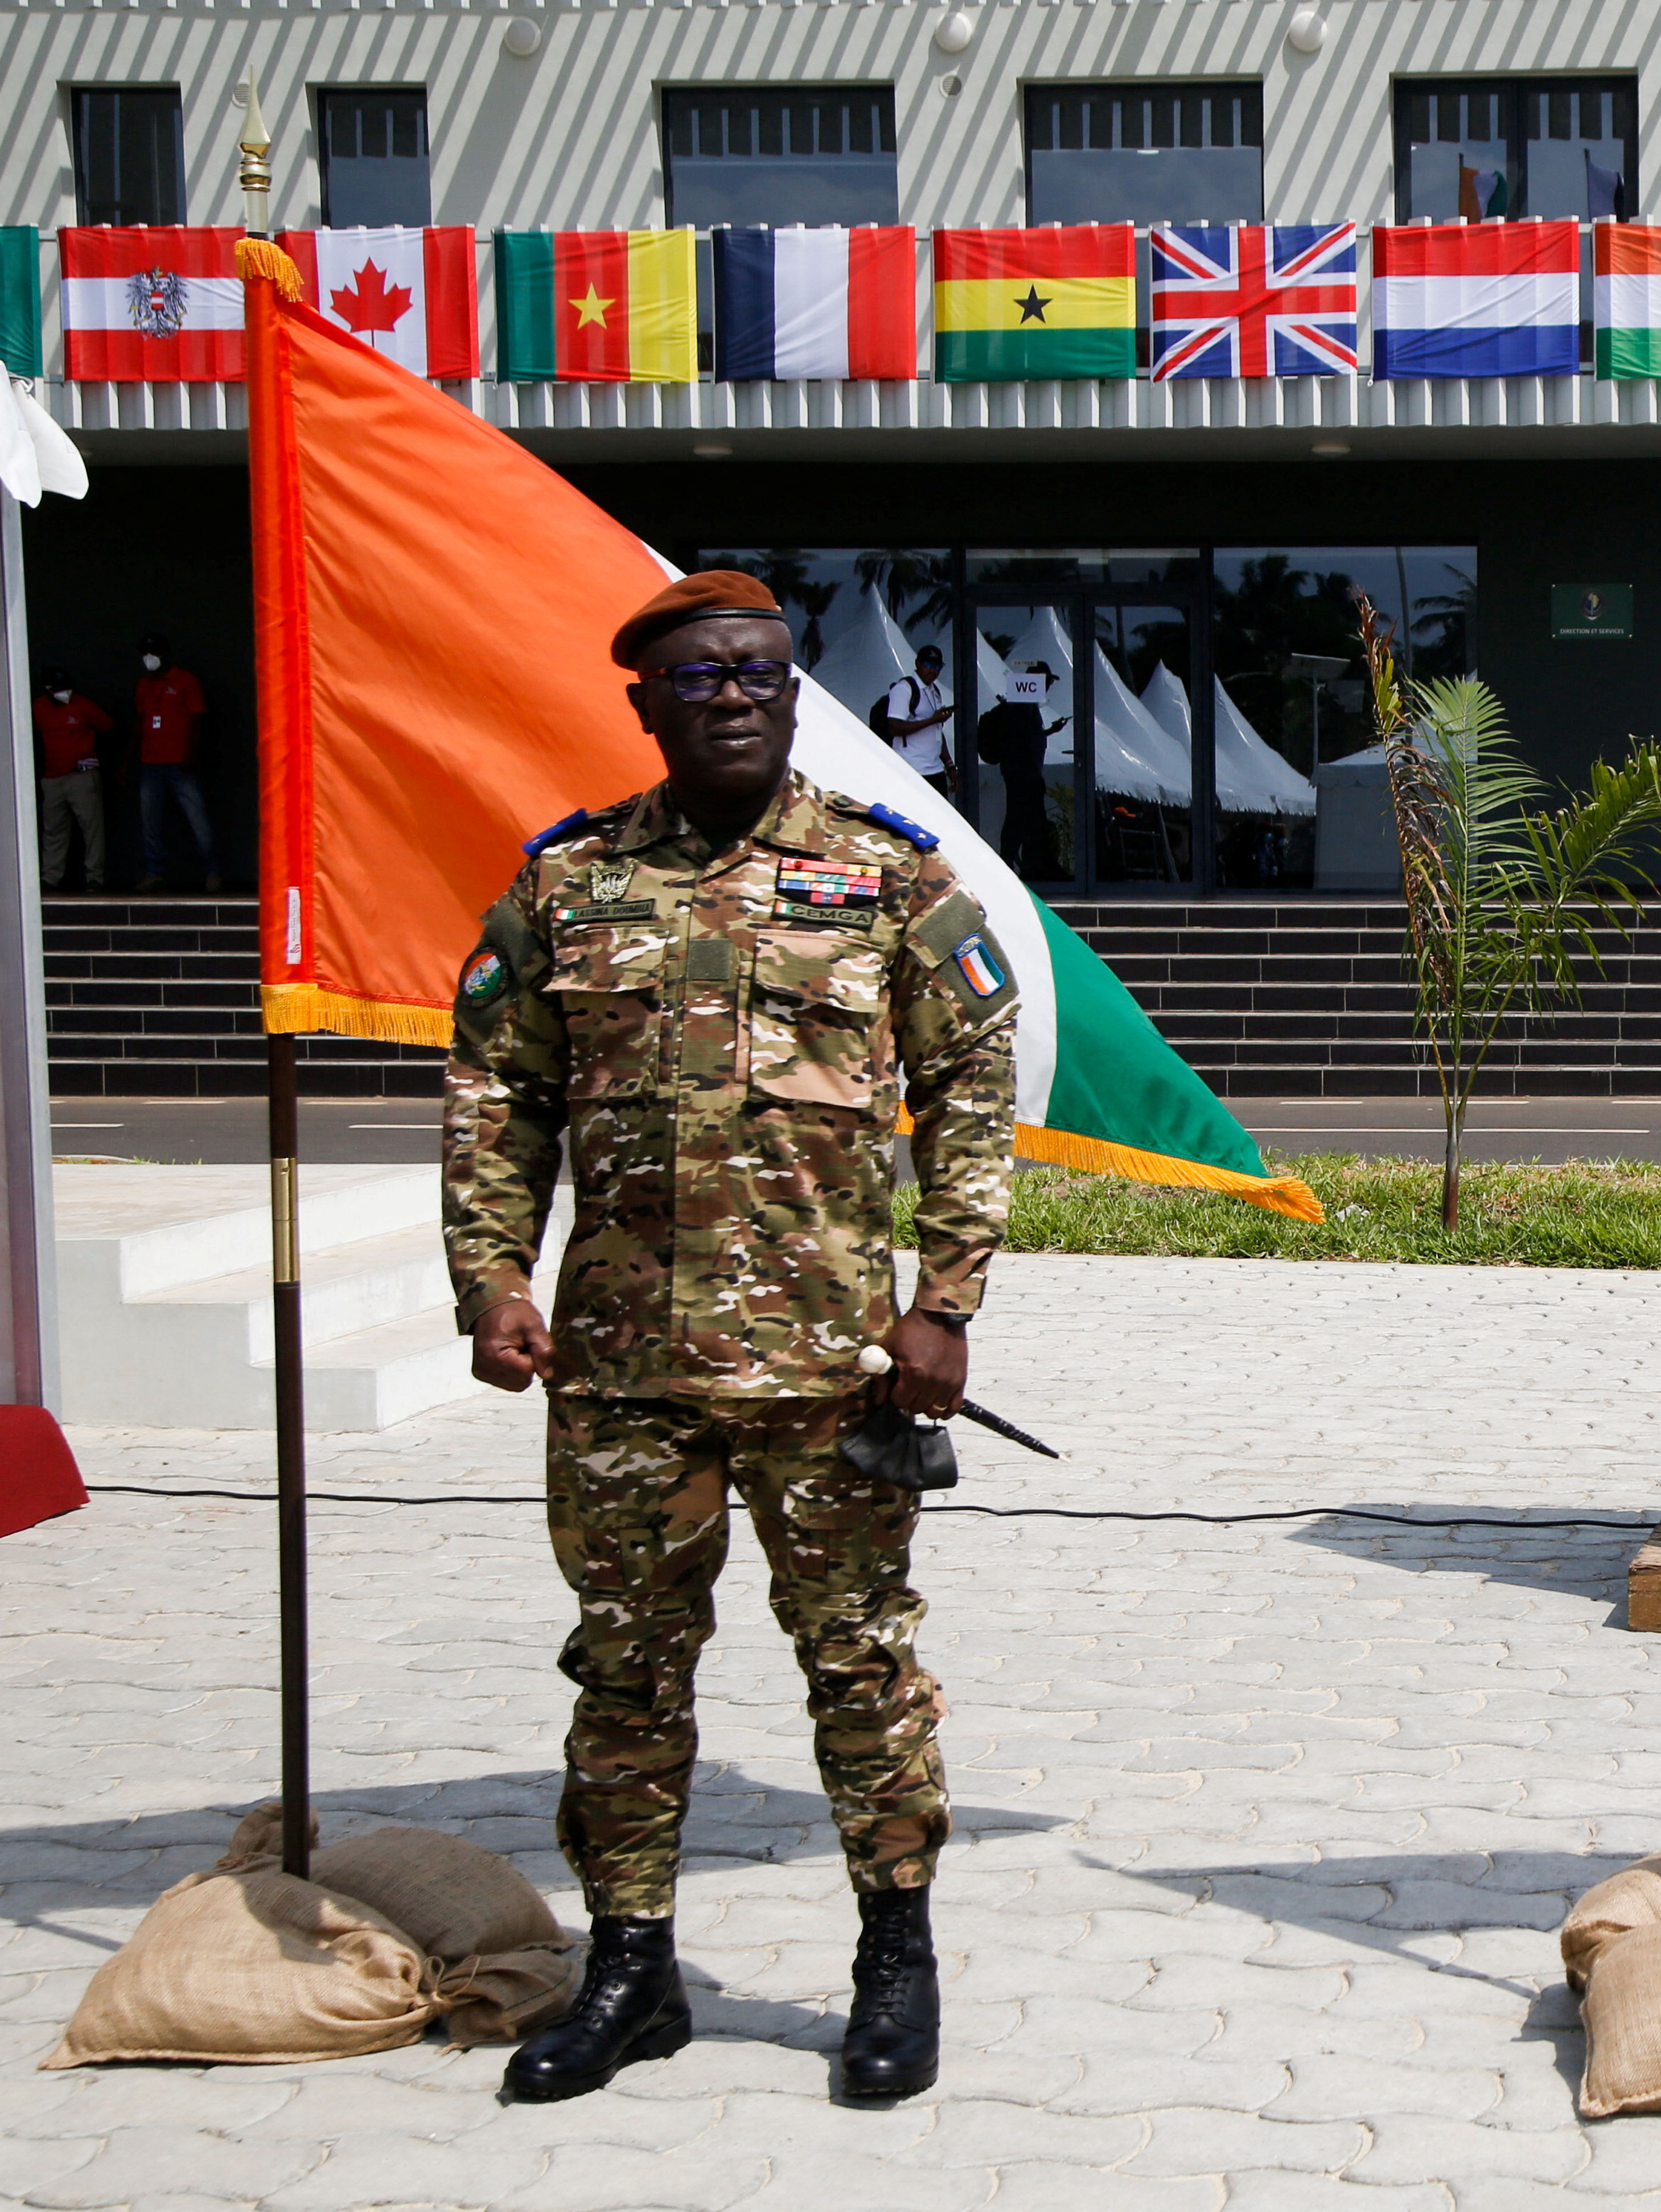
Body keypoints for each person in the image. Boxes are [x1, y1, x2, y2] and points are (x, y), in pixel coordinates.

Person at [442, 570, 1021, 2107]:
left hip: (833, 1375)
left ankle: (894, 1957)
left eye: (761, 672)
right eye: (699, 678)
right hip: (623, 1379)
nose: (734, 696)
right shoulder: (568, 888)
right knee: (624, 1675)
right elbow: (499, 1093)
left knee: (860, 1667)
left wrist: (946, 1299)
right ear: (645, 703)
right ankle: (631, 1968)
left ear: (793, 689)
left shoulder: (887, 876)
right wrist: (490, 1275)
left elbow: (970, 1083)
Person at [129, 633, 217, 892]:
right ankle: (154, 872)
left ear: (166, 653)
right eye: (145, 653)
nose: (149, 658)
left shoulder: (186, 681)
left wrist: (192, 754)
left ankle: (213, 872)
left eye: (154, 652)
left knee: (198, 818)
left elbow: (198, 720)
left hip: (180, 763)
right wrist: (128, 759)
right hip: (151, 762)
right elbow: (139, 723)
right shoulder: (143, 685)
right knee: (150, 822)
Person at [972, 661, 1056, 877]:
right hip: (1023, 774)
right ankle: (1015, 865)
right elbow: (1021, 739)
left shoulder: (1025, 703)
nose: (1048, 686)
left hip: (1023, 773)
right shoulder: (1023, 704)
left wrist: (1047, 733)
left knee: (1021, 822)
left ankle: (1018, 864)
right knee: (1019, 822)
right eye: (1046, 681)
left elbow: (1024, 737)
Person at [32, 671, 113, 893]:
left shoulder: (84, 706)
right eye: (57, 689)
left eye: (66, 687)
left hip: (82, 777)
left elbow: (108, 728)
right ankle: (51, 878)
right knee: (54, 830)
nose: (63, 693)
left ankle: (95, 878)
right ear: (48, 690)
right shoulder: (38, 707)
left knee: (92, 828)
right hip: (52, 778)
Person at [879, 644, 953, 798]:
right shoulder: (904, 689)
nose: (933, 671)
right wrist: (932, 720)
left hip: (936, 771)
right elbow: (895, 727)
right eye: (928, 665)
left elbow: (937, 732)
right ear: (918, 663)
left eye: (938, 667)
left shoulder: (935, 691)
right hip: (911, 770)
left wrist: (950, 765)